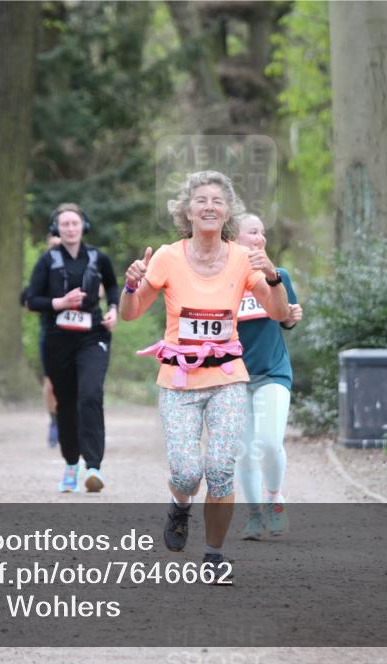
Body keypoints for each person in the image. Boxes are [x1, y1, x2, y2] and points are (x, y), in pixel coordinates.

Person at [119, 171, 290, 583]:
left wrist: (273, 276)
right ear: (187, 211)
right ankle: (179, 508)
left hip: (229, 378)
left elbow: (279, 312)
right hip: (178, 382)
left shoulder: (241, 259)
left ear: (227, 210)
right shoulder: (167, 256)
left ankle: (214, 556)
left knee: (219, 470)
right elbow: (130, 313)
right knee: (185, 472)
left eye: (217, 200)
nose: (209, 206)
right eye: (201, 200)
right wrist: (130, 286)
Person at [26, 203, 119, 493]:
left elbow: (113, 287)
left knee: (90, 394)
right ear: (57, 229)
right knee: (66, 402)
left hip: (93, 336)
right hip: (57, 339)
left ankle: (93, 467)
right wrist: (59, 303)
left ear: (83, 226)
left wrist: (114, 309)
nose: (69, 228)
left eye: (74, 223)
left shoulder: (97, 257)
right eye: (64, 224)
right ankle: (70, 464)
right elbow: (31, 300)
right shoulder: (47, 260)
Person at [232, 212, 303, 539]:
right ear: (233, 239)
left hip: (273, 372)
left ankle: (274, 498)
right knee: (244, 450)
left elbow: (288, 320)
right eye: (251, 232)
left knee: (269, 442)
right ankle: (254, 515)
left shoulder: (279, 275)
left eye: (261, 232)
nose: (259, 238)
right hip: (234, 377)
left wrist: (291, 315)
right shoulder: (224, 280)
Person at [21, 234, 62, 448]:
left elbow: (100, 289)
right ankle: (55, 421)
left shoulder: (83, 262)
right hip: (51, 332)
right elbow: (27, 299)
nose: (56, 248)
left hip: (82, 335)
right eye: (53, 245)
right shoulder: (43, 268)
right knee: (50, 383)